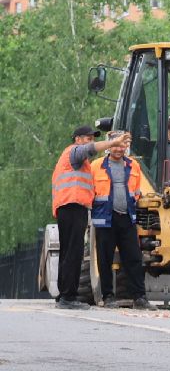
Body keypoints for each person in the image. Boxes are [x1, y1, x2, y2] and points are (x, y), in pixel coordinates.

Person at [51, 126, 129, 308]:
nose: (91, 142)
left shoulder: (76, 160)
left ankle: (64, 295)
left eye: (92, 138)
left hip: (68, 207)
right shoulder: (74, 152)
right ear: (77, 139)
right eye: (88, 138)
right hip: (72, 206)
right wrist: (114, 142)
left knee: (68, 252)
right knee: (73, 252)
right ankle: (68, 298)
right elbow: (90, 149)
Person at [91, 134, 150, 308]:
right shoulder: (96, 166)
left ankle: (139, 297)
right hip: (105, 219)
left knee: (134, 258)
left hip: (127, 218)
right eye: (115, 145)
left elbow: (136, 191)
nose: (118, 149)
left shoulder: (134, 165)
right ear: (109, 147)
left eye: (121, 146)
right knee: (105, 259)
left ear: (126, 147)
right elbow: (90, 190)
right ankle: (108, 296)